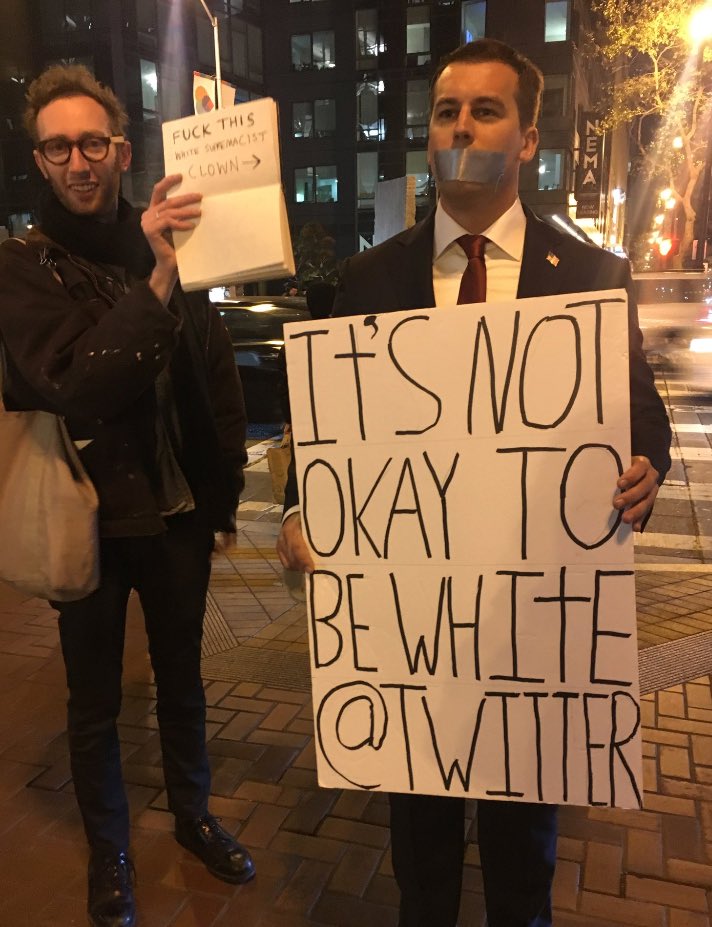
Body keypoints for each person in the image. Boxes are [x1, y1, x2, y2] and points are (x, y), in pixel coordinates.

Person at [276, 39, 672, 927]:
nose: (461, 127)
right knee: (421, 866)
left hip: (533, 636)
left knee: (522, 868)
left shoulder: (592, 278)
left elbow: (642, 418)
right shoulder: (371, 277)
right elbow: (330, 430)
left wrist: (648, 469)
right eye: (447, 112)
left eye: (486, 111)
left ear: (527, 138)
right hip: (413, 642)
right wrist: (303, 507)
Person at [0, 65, 255, 927]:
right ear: (40, 160)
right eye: (58, 147)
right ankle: (110, 850)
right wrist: (158, 278)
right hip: (91, 521)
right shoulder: (24, 265)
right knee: (94, 700)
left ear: (121, 150)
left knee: (184, 680)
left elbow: (214, 373)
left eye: (93, 143)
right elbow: (80, 380)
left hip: (178, 516)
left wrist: (223, 494)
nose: (78, 162)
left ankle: (194, 814)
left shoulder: (173, 243)